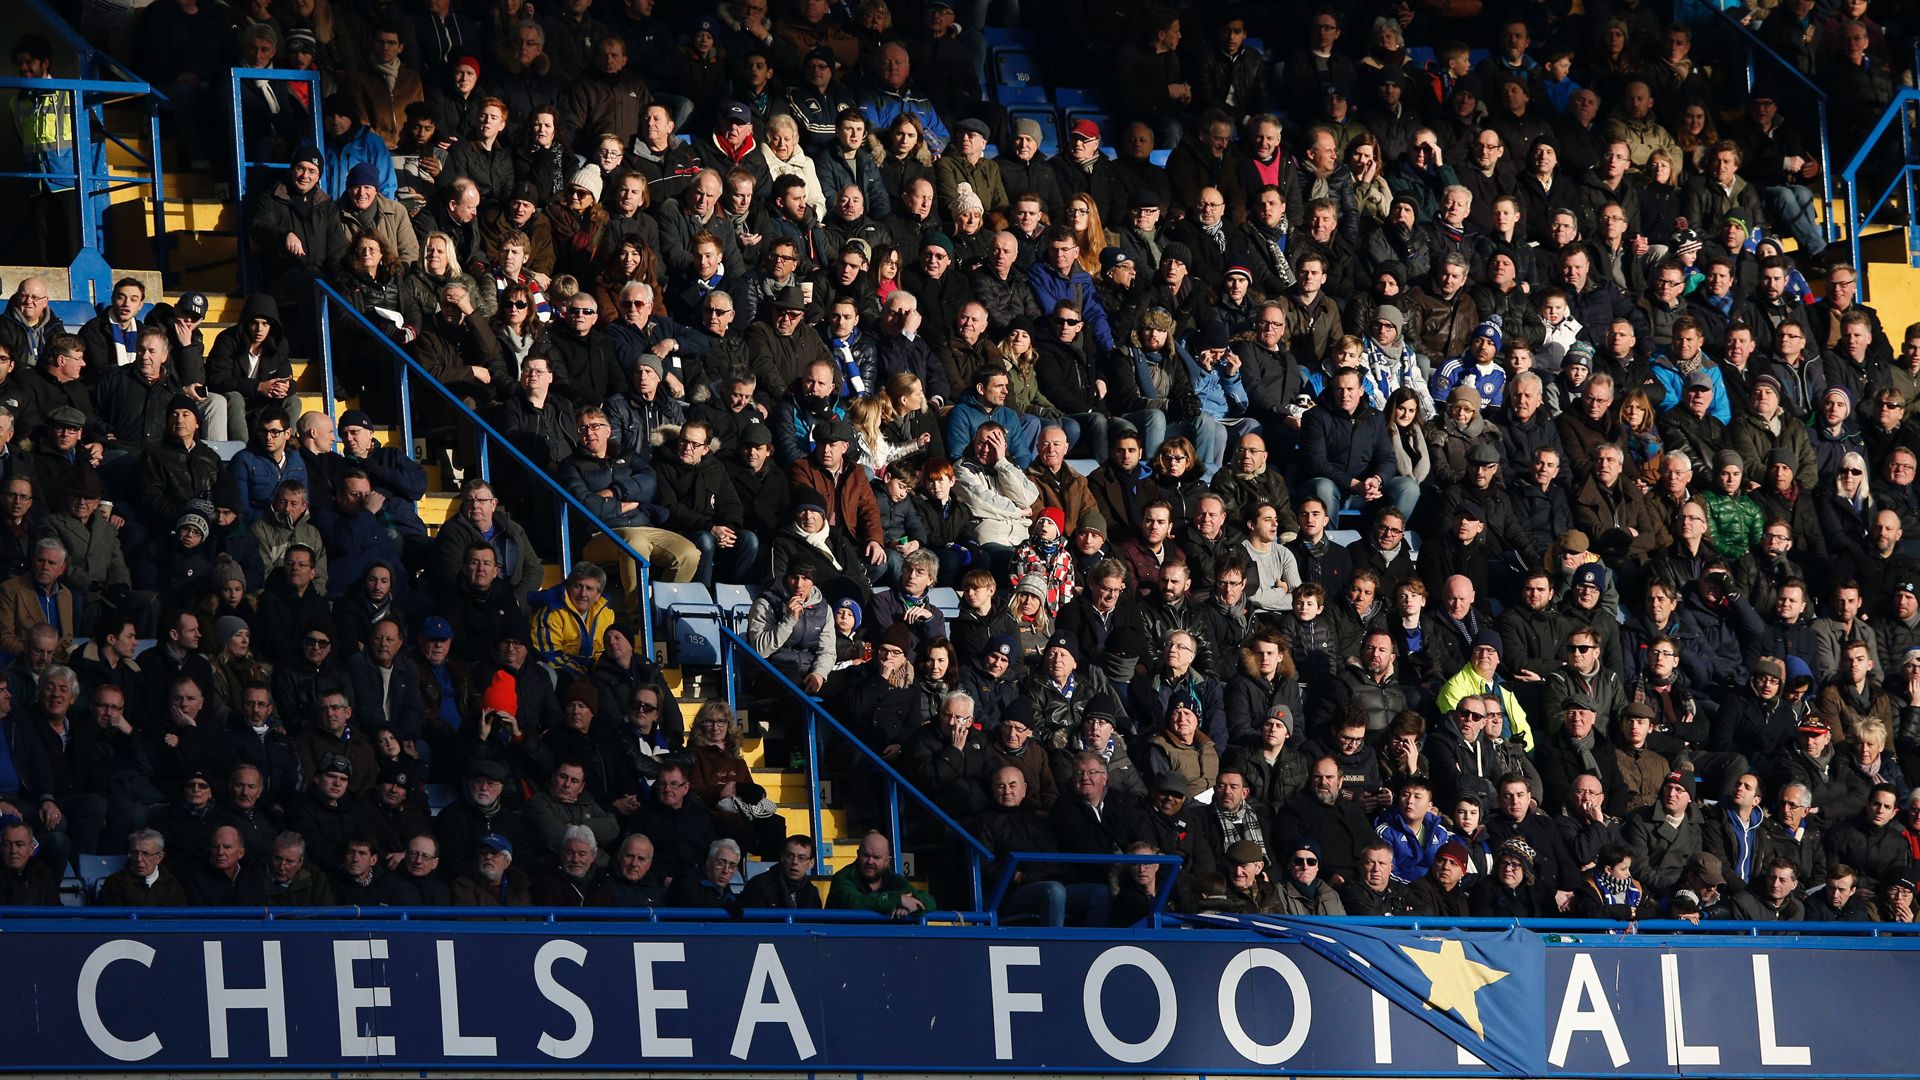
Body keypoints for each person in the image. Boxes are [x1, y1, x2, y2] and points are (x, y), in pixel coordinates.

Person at [826, 831, 934, 918]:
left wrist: (910, 906)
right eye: (865, 855)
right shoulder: (843, 877)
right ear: (858, 854)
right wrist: (897, 900)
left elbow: (930, 902)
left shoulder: (894, 879)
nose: (870, 861)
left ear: (887, 861)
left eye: (877, 857)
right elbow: (855, 903)